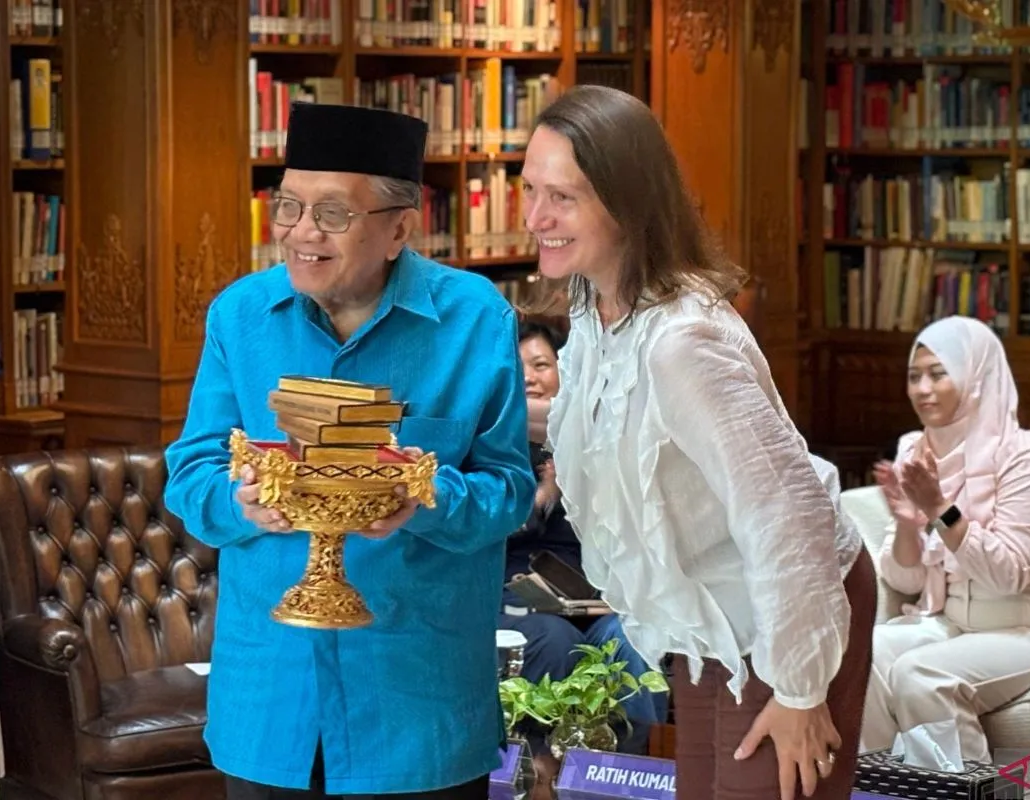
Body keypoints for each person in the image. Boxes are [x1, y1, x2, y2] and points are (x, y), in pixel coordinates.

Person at [163, 103, 537, 799]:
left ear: (399, 228)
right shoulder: (239, 315)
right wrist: (240, 501)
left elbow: (509, 492)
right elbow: (190, 473)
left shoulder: (475, 318)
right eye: (288, 206)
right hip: (271, 699)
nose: (302, 232)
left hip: (415, 706)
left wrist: (423, 495)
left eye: (332, 213)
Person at [521, 84, 878, 800]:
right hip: (708, 613)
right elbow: (599, 429)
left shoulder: (682, 344)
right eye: (530, 189)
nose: (535, 218)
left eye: (563, 197)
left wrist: (801, 690)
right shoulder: (595, 304)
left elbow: (786, 517)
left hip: (788, 606)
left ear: (627, 202)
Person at [861, 315, 1030, 762]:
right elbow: (907, 581)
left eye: (938, 374)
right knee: (862, 656)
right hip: (952, 623)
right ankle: (883, 787)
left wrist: (939, 510)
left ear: (976, 377)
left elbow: (1008, 576)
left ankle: (957, 790)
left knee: (921, 675)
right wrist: (907, 525)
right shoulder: (915, 450)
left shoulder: (1026, 457)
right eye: (914, 376)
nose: (922, 389)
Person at [500, 317, 667, 746]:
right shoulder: (495, 443)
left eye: (541, 365)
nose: (529, 377)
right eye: (518, 367)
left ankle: (627, 769)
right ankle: (542, 768)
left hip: (593, 599)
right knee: (555, 641)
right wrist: (544, 496)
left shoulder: (602, 439)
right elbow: (488, 525)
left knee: (634, 636)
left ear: (566, 373)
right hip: (514, 599)